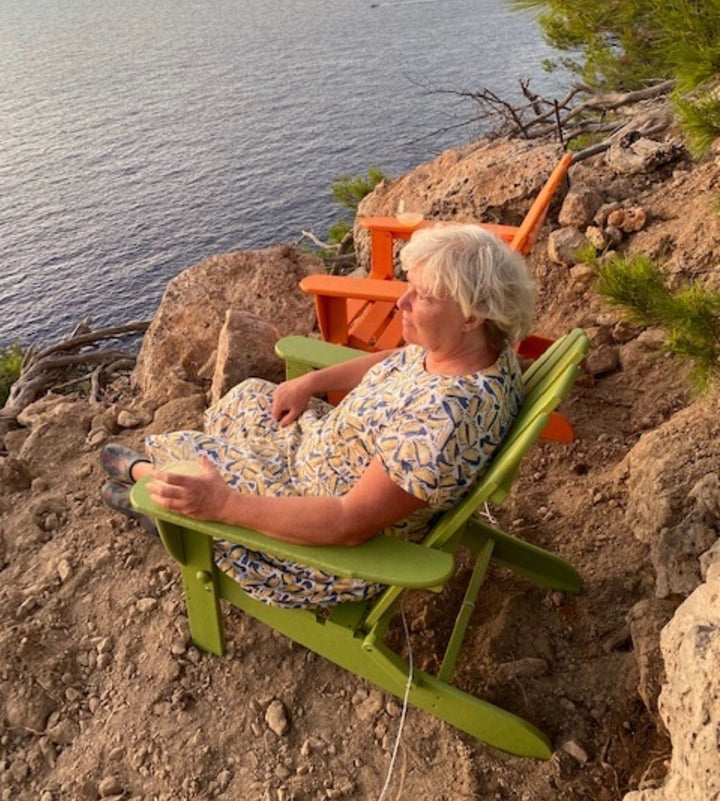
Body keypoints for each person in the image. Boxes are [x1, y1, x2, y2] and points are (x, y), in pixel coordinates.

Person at [101, 224, 536, 609]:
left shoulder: (442, 421)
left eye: (421, 296)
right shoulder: (470, 351)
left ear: (472, 315)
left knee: (194, 462)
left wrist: (224, 505)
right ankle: (171, 495)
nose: (402, 301)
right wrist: (310, 382)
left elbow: (349, 523)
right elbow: (398, 360)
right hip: (320, 450)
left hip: (325, 532)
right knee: (251, 397)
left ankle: (152, 491)